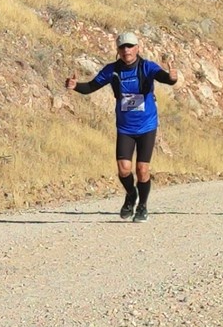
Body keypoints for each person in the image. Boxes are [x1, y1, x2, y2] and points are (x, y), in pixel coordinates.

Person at [66, 32, 177, 222]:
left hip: (147, 126)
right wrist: (75, 86)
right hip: (125, 128)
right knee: (124, 169)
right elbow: (91, 87)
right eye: (122, 47)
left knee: (142, 169)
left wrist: (172, 78)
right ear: (118, 50)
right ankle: (131, 195)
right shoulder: (112, 70)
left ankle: (142, 206)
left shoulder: (147, 67)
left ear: (137, 48)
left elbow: (164, 78)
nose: (127, 50)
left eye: (130, 46)